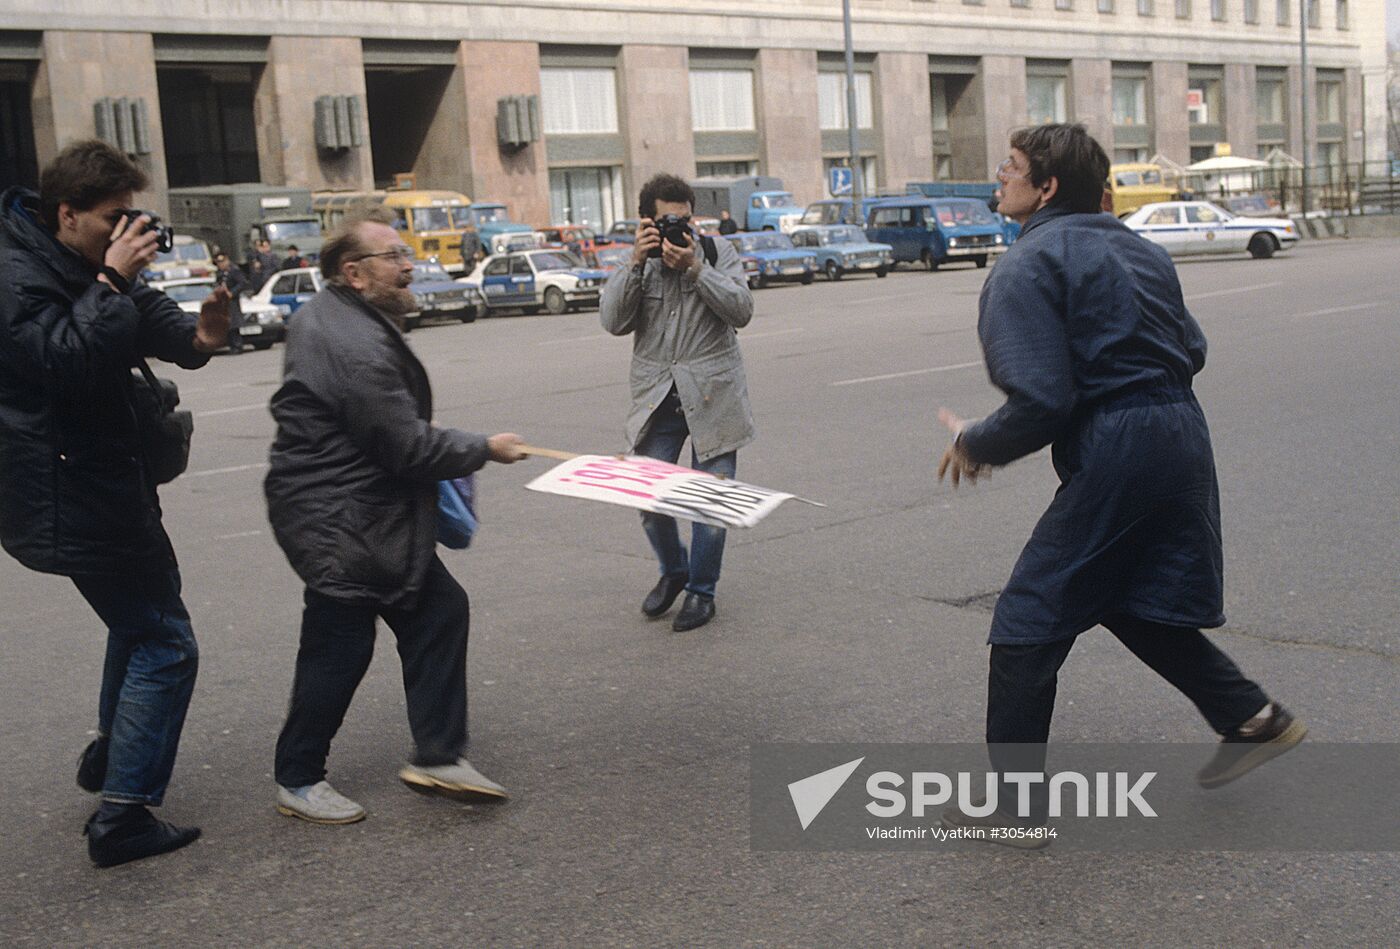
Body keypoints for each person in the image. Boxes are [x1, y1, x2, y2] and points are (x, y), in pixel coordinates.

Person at [935, 124, 1305, 841]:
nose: (997, 179)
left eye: (1010, 168)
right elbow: (1192, 346)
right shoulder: (1140, 248)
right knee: (1130, 597)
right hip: (1180, 432)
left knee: (1026, 621)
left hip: (1119, 444)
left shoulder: (1025, 265)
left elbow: (1043, 397)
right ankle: (1252, 717)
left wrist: (974, 440)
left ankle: (1013, 807)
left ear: (1044, 188)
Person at [0, 140, 229, 867]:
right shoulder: (14, 274)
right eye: (112, 219)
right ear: (66, 214)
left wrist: (201, 336)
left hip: (108, 479)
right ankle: (122, 817)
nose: (125, 231)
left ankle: (112, 758)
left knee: (140, 622)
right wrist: (110, 279)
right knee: (166, 639)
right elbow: (62, 360)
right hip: (68, 488)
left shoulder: (83, 259)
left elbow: (153, 318)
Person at [264, 207, 526, 825]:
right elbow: (407, 447)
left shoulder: (333, 316)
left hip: (354, 513)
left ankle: (437, 755)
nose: (410, 268)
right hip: (345, 521)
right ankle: (299, 778)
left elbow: (382, 429)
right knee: (339, 646)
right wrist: (485, 447)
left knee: (436, 611)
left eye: (407, 256)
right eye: (395, 258)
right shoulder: (354, 343)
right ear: (353, 272)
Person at [600, 173, 755, 632]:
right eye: (668, 222)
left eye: (685, 220)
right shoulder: (638, 263)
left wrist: (695, 268)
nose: (678, 231)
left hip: (712, 393)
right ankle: (674, 570)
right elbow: (612, 322)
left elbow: (742, 310)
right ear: (647, 220)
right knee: (649, 498)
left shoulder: (714, 252)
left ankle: (701, 593)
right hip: (658, 397)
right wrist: (634, 262)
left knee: (709, 503)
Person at [214, 250, 248, 353]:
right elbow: (217, 283)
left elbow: (242, 283)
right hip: (223, 302)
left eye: (222, 262)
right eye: (219, 263)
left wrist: (232, 293)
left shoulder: (234, 271)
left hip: (232, 301)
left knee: (234, 324)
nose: (221, 264)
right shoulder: (220, 273)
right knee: (227, 325)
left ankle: (237, 345)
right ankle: (232, 345)